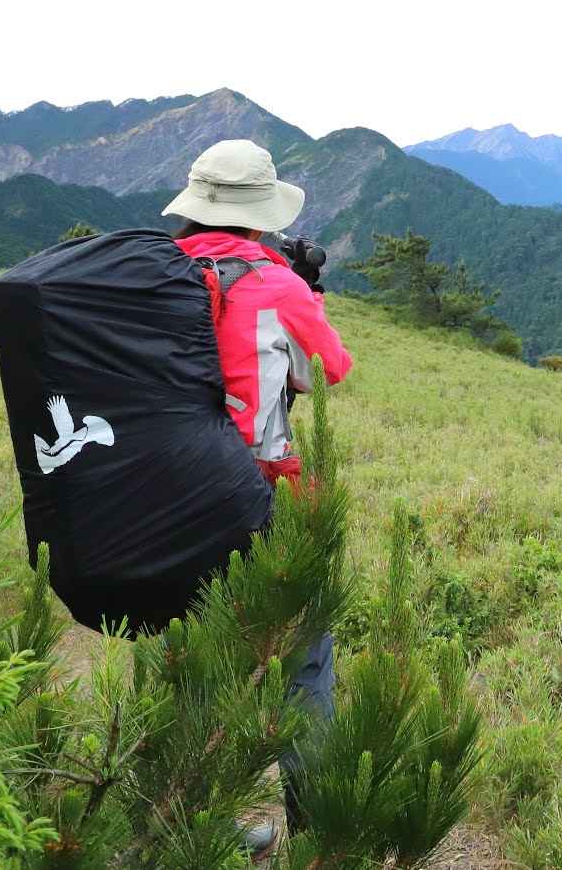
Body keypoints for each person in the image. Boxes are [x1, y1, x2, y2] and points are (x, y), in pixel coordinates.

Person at [162, 138, 353, 850]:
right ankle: (313, 835)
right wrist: (308, 292)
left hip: (170, 502)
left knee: (194, 652)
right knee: (305, 658)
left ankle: (192, 828)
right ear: (262, 214)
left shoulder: (160, 274)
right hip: (258, 497)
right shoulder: (279, 285)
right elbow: (330, 368)